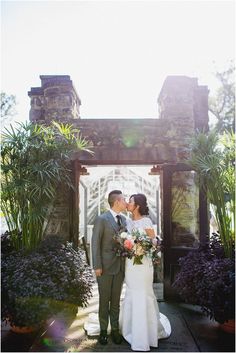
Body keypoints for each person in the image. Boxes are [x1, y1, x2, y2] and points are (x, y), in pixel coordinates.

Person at [121, 193, 171, 351]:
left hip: (143, 265)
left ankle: (147, 333)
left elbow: (154, 242)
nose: (128, 204)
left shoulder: (146, 221)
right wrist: (129, 246)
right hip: (130, 263)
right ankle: (129, 329)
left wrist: (143, 247)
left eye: (130, 202)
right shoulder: (127, 222)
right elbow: (125, 242)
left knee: (143, 292)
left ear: (137, 206)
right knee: (131, 292)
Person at [91, 190, 127, 345]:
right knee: (104, 300)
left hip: (120, 267)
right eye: (124, 199)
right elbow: (95, 244)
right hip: (104, 267)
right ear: (117, 201)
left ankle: (116, 330)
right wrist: (97, 266)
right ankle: (103, 331)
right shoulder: (102, 219)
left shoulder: (124, 220)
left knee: (116, 300)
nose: (126, 202)